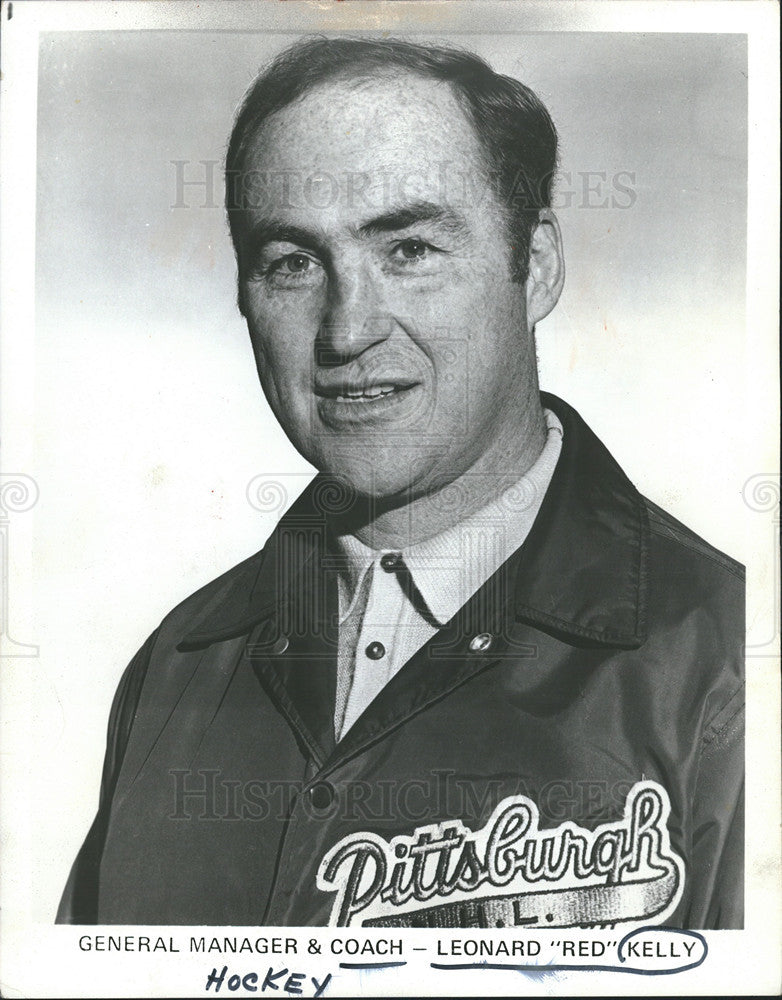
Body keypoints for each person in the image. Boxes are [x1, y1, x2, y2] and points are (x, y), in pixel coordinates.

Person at [57, 36, 744, 929]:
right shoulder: (179, 663)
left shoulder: (724, 660)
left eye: (410, 249)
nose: (348, 330)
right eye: (293, 262)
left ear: (534, 266)